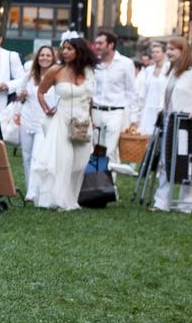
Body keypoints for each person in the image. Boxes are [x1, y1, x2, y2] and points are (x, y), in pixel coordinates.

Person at [28, 37, 97, 210]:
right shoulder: (56, 70)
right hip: (62, 120)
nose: (65, 52)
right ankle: (59, 200)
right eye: (63, 48)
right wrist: (46, 109)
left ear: (79, 51)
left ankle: (71, 198)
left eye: (69, 49)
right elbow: (41, 92)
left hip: (82, 122)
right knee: (64, 161)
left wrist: (91, 119)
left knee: (80, 162)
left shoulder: (88, 72)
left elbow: (89, 99)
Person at [151, 36, 192, 213]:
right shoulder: (172, 71)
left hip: (187, 124)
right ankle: (161, 202)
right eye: (168, 49)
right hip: (170, 122)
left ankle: (185, 205)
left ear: (183, 51)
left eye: (172, 49)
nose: (168, 52)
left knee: (186, 162)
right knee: (166, 161)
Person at [92, 30, 137, 174]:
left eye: (100, 43)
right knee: (95, 149)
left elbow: (131, 91)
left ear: (110, 45)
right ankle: (96, 183)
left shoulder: (125, 63)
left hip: (116, 112)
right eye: (96, 42)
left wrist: (133, 118)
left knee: (110, 150)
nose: (96, 46)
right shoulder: (94, 63)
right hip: (95, 110)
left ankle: (109, 187)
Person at [14, 45, 57, 194]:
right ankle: (30, 188)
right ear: (37, 58)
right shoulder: (29, 75)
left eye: (48, 55)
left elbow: (60, 98)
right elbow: (18, 94)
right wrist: (22, 93)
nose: (44, 58)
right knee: (26, 156)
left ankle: (32, 193)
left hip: (44, 121)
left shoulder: (56, 77)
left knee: (36, 157)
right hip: (27, 119)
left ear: (53, 59)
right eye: (42, 55)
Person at [130, 41, 167, 135]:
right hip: (147, 111)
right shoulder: (147, 71)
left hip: (162, 111)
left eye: (157, 52)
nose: (154, 54)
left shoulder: (169, 70)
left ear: (164, 53)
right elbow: (138, 93)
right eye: (153, 52)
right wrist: (135, 116)